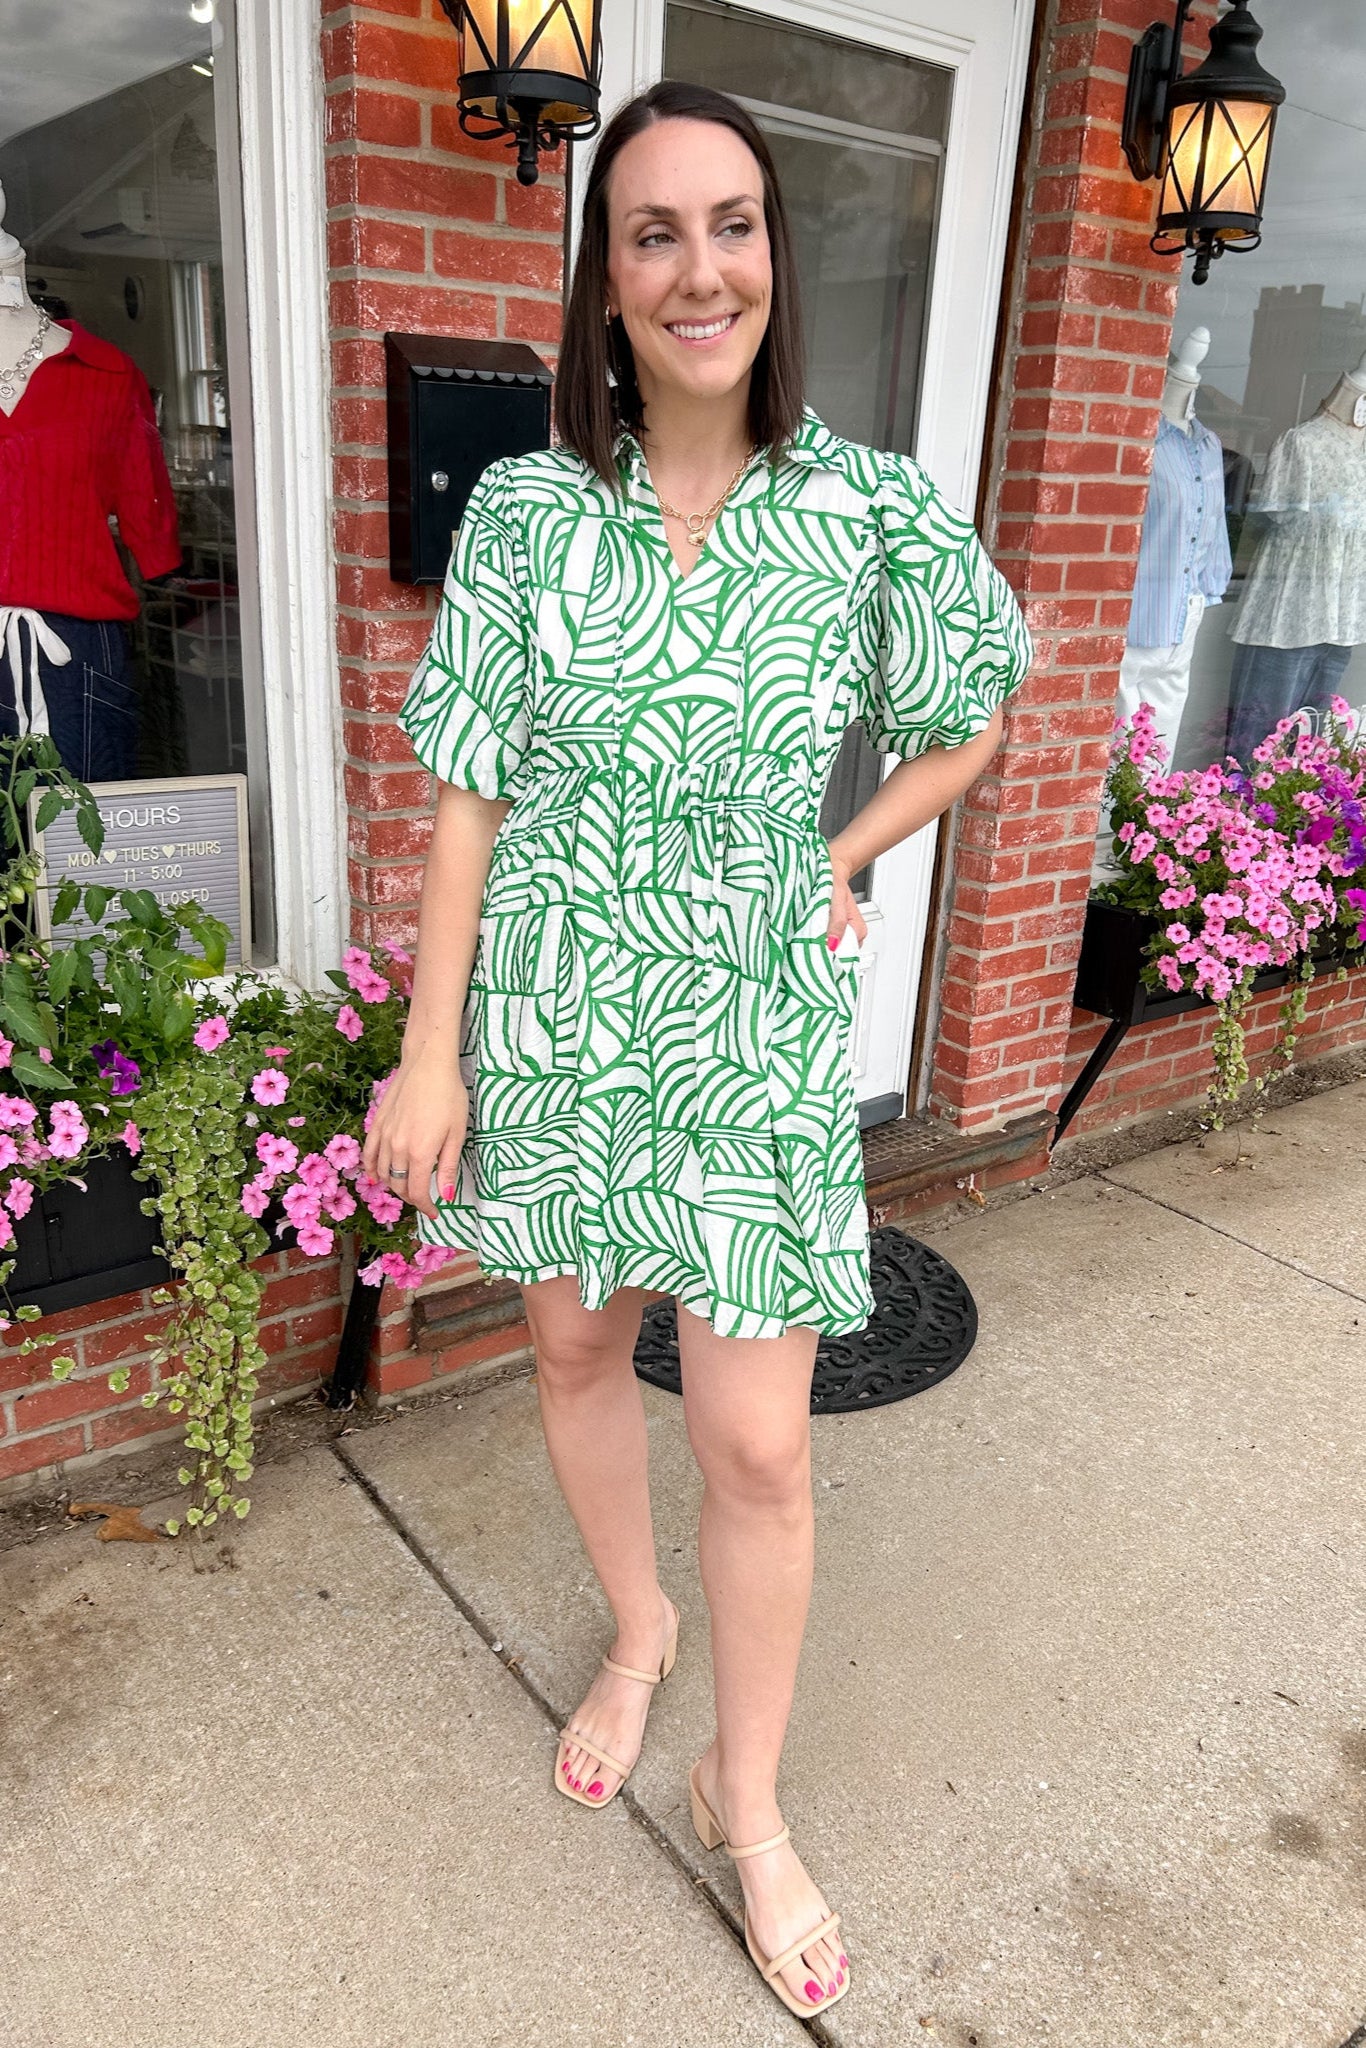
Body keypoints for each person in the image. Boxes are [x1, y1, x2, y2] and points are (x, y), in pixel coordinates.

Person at [363, 79, 1031, 2020]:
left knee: (753, 1437)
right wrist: (432, 1053)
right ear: (602, 285)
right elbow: (469, 796)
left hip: (743, 1022)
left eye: (727, 222)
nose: (695, 265)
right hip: (558, 1009)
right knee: (571, 1340)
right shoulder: (521, 510)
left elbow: (970, 705)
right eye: (648, 231)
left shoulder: (861, 509)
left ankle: (747, 1803)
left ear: (772, 257)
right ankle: (636, 1632)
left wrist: (836, 849)